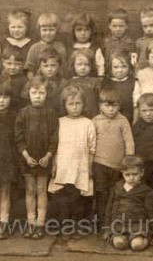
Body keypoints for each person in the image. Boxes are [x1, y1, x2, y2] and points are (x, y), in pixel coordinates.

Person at [48, 85, 95, 240]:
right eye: (71, 104)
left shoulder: (88, 123)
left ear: (83, 104)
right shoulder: (59, 122)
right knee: (63, 197)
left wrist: (89, 167)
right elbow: (54, 146)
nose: (75, 108)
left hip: (80, 166)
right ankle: (65, 226)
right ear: (64, 105)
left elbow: (92, 148)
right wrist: (54, 164)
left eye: (78, 104)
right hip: (63, 165)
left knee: (78, 198)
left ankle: (77, 226)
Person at [14, 75, 58, 239]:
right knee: (30, 190)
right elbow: (18, 137)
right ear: (28, 93)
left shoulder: (51, 113)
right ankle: (31, 223)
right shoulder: (23, 113)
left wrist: (48, 155)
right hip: (28, 159)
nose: (38, 96)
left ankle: (40, 224)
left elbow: (54, 137)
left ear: (47, 94)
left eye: (41, 93)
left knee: (41, 190)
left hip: (44, 159)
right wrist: (26, 156)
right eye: (34, 92)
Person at [92, 88, 134, 231]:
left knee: (114, 194)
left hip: (118, 166)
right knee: (101, 193)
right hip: (99, 164)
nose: (110, 109)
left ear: (119, 105)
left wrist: (128, 162)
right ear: (100, 106)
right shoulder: (96, 121)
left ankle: (113, 222)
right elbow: (90, 143)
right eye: (107, 105)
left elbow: (129, 142)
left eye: (114, 105)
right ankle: (101, 223)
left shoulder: (123, 121)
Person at [104, 156, 153, 251]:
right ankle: (124, 238)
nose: (131, 178)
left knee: (136, 246)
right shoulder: (117, 188)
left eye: (135, 174)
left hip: (138, 224)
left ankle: (144, 239)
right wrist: (107, 228)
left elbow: (151, 212)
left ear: (142, 173)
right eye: (127, 174)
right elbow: (109, 208)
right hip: (119, 224)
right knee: (119, 244)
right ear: (122, 173)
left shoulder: (146, 191)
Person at [24, 47, 67, 115]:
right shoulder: (33, 82)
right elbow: (26, 100)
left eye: (53, 65)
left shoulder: (64, 83)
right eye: (45, 66)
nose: (49, 69)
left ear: (59, 66)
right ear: (40, 67)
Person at [24, 12, 68, 79]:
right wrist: (33, 82)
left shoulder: (60, 47)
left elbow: (64, 69)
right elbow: (30, 70)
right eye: (44, 30)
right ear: (39, 31)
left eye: (51, 30)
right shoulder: (34, 48)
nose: (48, 33)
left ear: (57, 30)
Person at [0, 78, 18, 239]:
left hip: (6, 160)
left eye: (5, 97)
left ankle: (3, 222)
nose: (1, 100)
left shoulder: (13, 116)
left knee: (5, 191)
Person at [102, 50, 135, 124]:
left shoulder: (132, 82)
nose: (120, 70)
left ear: (129, 67)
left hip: (128, 117)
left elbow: (136, 104)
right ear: (110, 68)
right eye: (116, 67)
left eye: (124, 66)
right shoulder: (106, 82)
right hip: (110, 118)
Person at [68, 13, 104, 78]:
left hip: (92, 81)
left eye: (86, 30)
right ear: (73, 31)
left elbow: (100, 66)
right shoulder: (70, 48)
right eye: (79, 30)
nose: (83, 33)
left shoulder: (95, 48)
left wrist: (100, 78)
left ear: (91, 31)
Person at [68, 48, 101, 118]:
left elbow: (100, 101)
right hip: (75, 116)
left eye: (87, 64)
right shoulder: (70, 82)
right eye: (79, 64)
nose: (83, 67)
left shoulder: (96, 82)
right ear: (73, 65)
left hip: (93, 116)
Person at [0, 45, 28, 112]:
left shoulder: (25, 81)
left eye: (17, 64)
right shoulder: (1, 79)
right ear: (3, 62)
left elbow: (25, 102)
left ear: (22, 64)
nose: (12, 67)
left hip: (18, 113)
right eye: (9, 63)